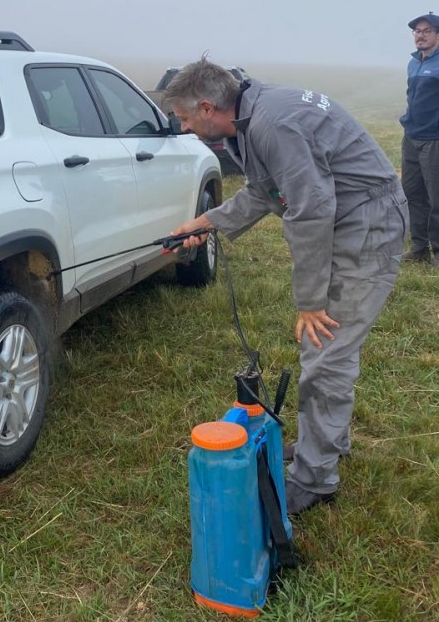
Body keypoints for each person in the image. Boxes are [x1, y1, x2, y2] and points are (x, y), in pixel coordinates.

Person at [165, 58, 407, 516]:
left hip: (367, 226)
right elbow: (264, 190)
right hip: (347, 217)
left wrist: (311, 302)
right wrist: (206, 222)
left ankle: (315, 479)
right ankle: (326, 442)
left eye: (184, 118)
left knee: (326, 351)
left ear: (207, 107)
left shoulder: (273, 124)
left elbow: (311, 210)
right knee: (327, 350)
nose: (183, 127)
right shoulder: (250, 116)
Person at [400, 11, 439, 265]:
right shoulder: (414, 63)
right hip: (412, 137)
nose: (420, 36)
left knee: (436, 198)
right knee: (412, 193)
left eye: (426, 31)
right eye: (417, 31)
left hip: (434, 139)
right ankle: (419, 248)